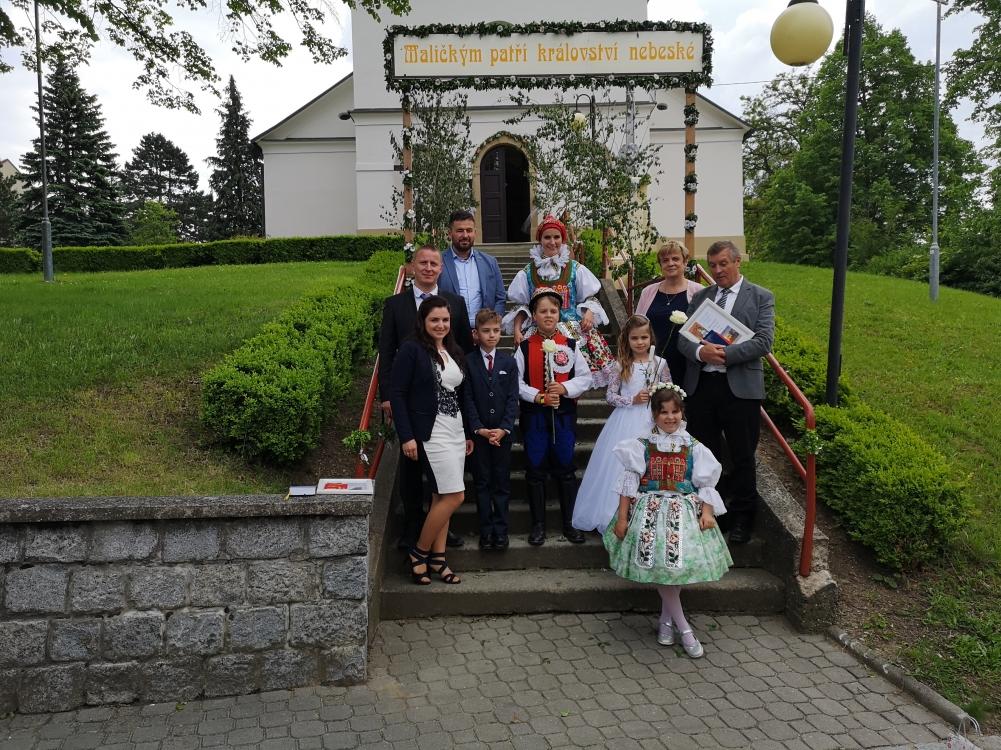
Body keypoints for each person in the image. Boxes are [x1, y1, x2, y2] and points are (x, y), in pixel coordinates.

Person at [604, 383, 732, 657]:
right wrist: (622, 518)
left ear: (682, 413)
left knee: (674, 568)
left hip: (683, 511)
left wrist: (707, 512)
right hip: (649, 511)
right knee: (663, 568)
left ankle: (666, 620)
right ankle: (684, 629)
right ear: (654, 415)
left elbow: (706, 482)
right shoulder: (641, 445)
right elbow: (628, 484)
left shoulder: (694, 447)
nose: (670, 417)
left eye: (675, 411)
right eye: (664, 412)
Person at [677, 240, 775, 545]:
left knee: (742, 455)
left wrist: (725, 355)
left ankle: (743, 517)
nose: (718, 270)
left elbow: (764, 341)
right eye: (713, 265)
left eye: (723, 264)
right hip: (702, 386)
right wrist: (700, 353)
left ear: (737, 262)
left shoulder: (760, 297)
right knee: (706, 454)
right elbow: (683, 339)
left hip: (740, 390)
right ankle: (712, 513)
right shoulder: (701, 297)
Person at [378, 246, 474, 551]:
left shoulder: (455, 303)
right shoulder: (395, 305)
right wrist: (386, 396)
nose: (429, 267)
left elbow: (463, 350)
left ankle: (441, 530)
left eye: (434, 263)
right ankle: (412, 529)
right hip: (411, 404)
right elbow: (386, 352)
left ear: (441, 268)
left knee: (444, 480)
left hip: (447, 413)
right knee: (410, 472)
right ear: (411, 267)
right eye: (423, 263)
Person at [390, 296, 474, 586]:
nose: (441, 325)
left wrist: (468, 433)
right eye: (434, 320)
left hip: (455, 429)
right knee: (455, 496)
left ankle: (438, 559)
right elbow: (397, 393)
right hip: (431, 432)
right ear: (423, 321)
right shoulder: (411, 349)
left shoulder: (454, 351)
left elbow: (461, 394)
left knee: (442, 496)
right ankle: (418, 552)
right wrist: (407, 436)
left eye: (445, 320)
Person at [573, 315, 672, 533]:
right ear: (627, 340)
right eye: (634, 338)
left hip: (653, 421)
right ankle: (615, 514)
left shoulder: (660, 364)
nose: (640, 342)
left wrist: (658, 396)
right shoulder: (620, 365)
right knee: (621, 467)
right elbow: (610, 396)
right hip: (625, 421)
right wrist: (632, 400)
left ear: (651, 338)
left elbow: (669, 392)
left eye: (644, 337)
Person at [514, 287, 593, 546]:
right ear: (534, 316)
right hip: (535, 417)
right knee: (535, 467)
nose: (548, 315)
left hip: (563, 416)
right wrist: (538, 396)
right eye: (543, 311)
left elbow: (585, 377)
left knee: (565, 467)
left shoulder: (570, 345)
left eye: (553, 311)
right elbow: (516, 383)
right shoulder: (525, 348)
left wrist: (564, 388)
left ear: (559, 314)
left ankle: (570, 523)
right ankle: (538, 525)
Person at [503, 214, 615, 387]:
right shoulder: (527, 273)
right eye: (547, 237)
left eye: (556, 237)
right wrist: (517, 330)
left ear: (562, 240)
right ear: (540, 240)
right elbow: (522, 306)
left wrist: (589, 313)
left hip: (572, 331)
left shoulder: (575, 269)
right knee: (538, 378)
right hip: (539, 332)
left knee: (573, 380)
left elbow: (590, 297)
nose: (552, 242)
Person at [461, 309, 519, 551]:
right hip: (480, 436)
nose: (492, 335)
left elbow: (512, 398)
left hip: (502, 436)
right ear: (476, 334)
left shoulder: (509, 362)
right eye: (486, 331)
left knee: (501, 483)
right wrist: (478, 428)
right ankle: (486, 531)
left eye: (496, 330)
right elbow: (467, 398)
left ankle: (501, 531)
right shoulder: (468, 361)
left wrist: (505, 428)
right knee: (482, 482)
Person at [635, 240, 704, 384]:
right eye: (665, 260)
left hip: (686, 362)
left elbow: (704, 329)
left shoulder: (698, 291)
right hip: (653, 363)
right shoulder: (648, 292)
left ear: (685, 262)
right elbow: (636, 326)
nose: (670, 263)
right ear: (661, 265)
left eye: (675, 259)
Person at [438, 209, 507, 329]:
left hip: (483, 333)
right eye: (460, 231)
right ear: (449, 233)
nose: (465, 235)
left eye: (469, 230)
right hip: (450, 332)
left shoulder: (490, 262)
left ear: (475, 233)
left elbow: (500, 297)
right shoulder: (438, 262)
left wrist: (493, 323)